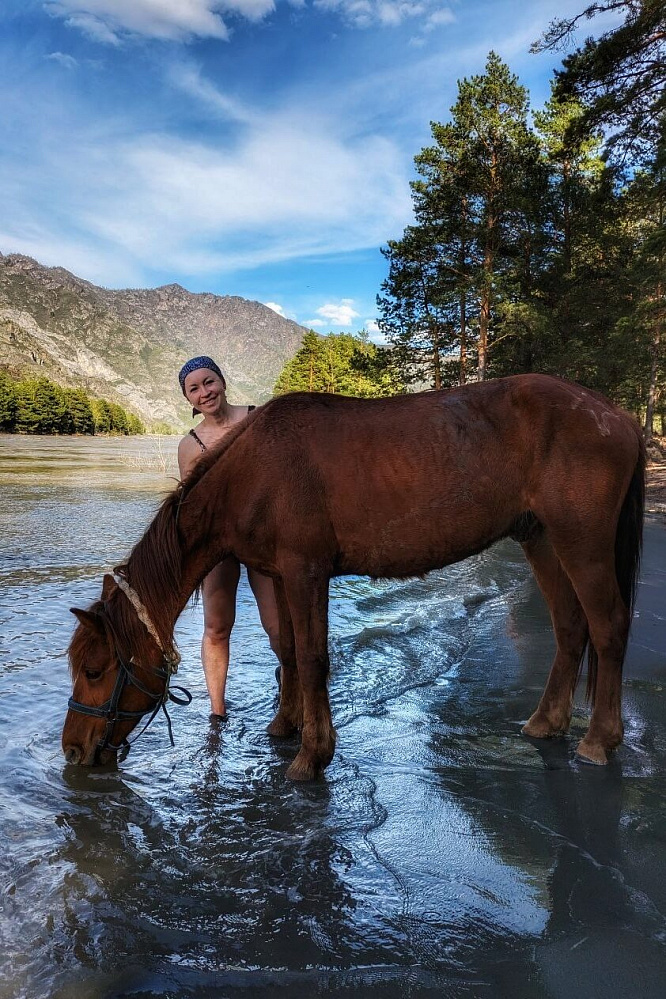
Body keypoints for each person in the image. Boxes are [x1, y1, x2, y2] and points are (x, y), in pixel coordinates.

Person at [177, 356, 280, 720]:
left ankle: (292, 682)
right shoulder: (189, 446)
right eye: (194, 388)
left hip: (263, 537)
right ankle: (217, 712)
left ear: (222, 381)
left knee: (276, 625)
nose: (204, 392)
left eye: (209, 382)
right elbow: (191, 506)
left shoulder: (259, 418)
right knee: (217, 627)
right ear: (188, 399)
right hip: (218, 547)